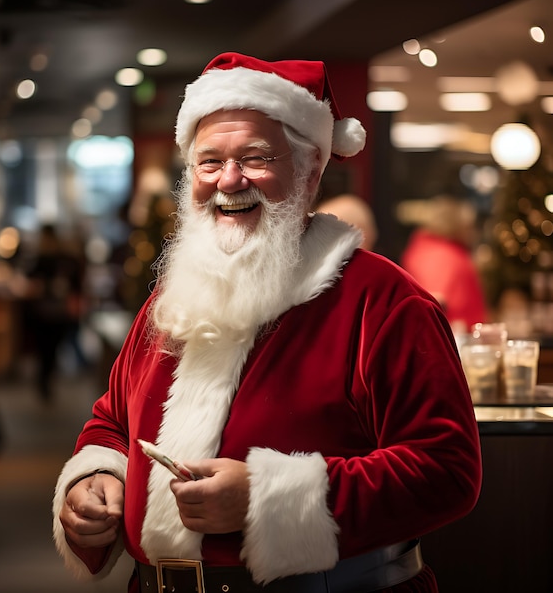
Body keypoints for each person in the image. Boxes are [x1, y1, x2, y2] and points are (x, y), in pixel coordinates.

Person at [53, 53, 482, 593]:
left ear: (310, 171)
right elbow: (113, 423)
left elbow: (447, 470)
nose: (229, 180)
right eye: (209, 162)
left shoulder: (385, 301)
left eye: (255, 158)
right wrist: (96, 478)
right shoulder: (172, 299)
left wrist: (267, 498)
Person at [400, 195, 489, 334]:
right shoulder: (449, 257)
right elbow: (444, 303)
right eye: (469, 227)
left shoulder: (419, 249)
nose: (472, 233)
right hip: (456, 338)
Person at [24, 224, 85, 401]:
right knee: (44, 350)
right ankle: (44, 381)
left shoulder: (63, 260)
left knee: (51, 349)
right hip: (44, 313)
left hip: (57, 313)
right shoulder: (40, 259)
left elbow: (74, 285)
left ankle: (46, 380)